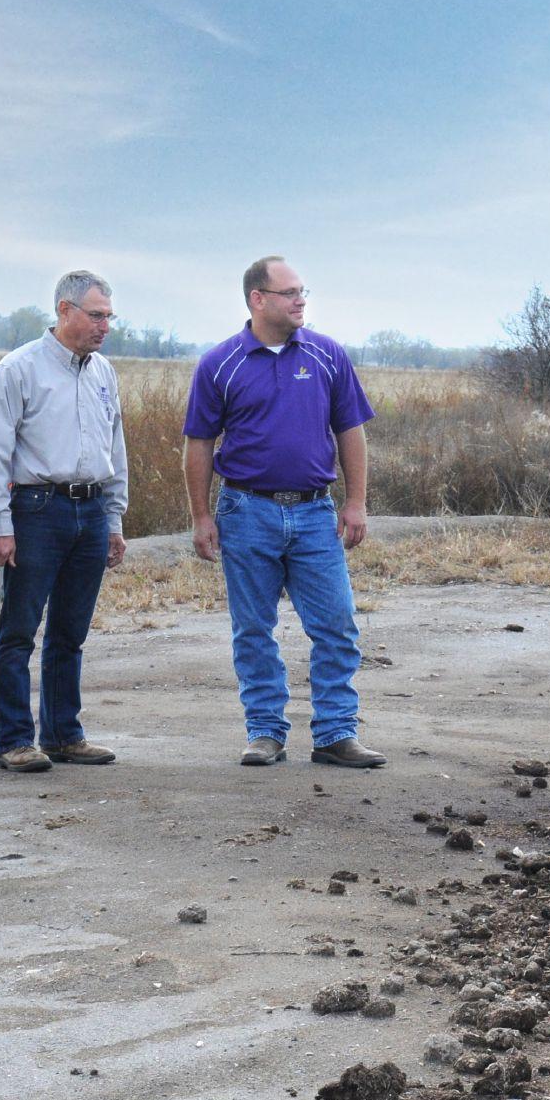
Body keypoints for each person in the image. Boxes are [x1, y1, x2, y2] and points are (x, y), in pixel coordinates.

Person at [182, 255, 385, 769]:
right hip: (246, 511)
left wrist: (356, 502)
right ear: (257, 299)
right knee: (253, 629)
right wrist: (201, 516)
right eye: (289, 292)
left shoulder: (327, 355)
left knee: (336, 624)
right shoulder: (219, 364)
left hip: (315, 513)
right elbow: (199, 442)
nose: (300, 301)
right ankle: (265, 732)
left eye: (302, 292)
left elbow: (350, 430)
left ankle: (336, 733)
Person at [0, 270, 127, 773]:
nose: (105, 326)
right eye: (96, 315)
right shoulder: (20, 369)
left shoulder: (103, 373)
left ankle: (62, 735)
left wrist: (114, 518)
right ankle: (14, 740)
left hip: (91, 510)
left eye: (109, 316)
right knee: (19, 630)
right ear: (64, 310)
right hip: (38, 510)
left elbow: (115, 448)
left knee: (70, 632)